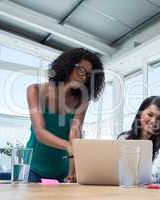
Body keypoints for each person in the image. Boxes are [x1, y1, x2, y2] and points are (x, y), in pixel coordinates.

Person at [26, 48, 105, 182]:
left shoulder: (82, 100)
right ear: (67, 65)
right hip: (33, 167)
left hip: (61, 171)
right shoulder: (35, 90)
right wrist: (69, 146)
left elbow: (74, 135)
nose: (84, 77)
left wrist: (72, 170)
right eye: (81, 70)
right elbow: (39, 132)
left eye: (88, 75)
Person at [118, 96, 160, 183]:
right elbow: (116, 170)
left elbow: (154, 177)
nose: (153, 121)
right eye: (150, 115)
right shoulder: (124, 138)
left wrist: (126, 176)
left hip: (155, 194)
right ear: (140, 114)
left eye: (159, 118)